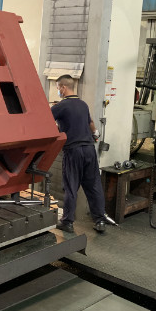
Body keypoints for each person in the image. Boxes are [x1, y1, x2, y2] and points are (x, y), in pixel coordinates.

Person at [51, 74, 108, 234]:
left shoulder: (61, 106)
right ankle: (100, 221)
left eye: (58, 88)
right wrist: (96, 134)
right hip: (89, 149)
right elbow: (91, 123)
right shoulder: (83, 104)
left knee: (71, 187)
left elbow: (45, 122)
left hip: (73, 151)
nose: (58, 91)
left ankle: (67, 222)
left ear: (63, 87)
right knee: (94, 186)